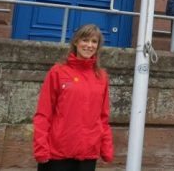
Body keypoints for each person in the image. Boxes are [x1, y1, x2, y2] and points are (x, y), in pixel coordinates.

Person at [33, 24, 114, 171]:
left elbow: (103, 117)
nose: (89, 45)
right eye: (85, 40)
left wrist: (106, 147)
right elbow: (44, 114)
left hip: (87, 154)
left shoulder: (101, 77)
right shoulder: (58, 72)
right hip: (58, 153)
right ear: (76, 42)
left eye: (94, 42)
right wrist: (41, 148)